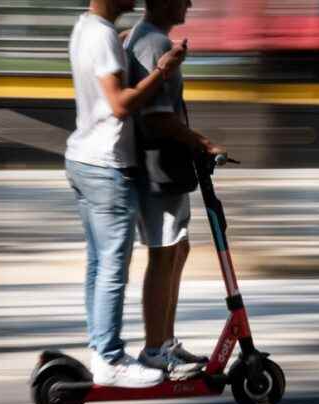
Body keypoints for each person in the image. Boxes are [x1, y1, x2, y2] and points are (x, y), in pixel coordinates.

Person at [64, 0, 186, 387]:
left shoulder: (86, 28)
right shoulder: (100, 35)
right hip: (106, 164)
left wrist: (124, 43)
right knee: (113, 269)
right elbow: (119, 105)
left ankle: (101, 349)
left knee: (99, 266)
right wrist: (162, 71)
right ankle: (110, 359)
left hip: (82, 159)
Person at [125, 0, 226, 379]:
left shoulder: (147, 38)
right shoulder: (152, 44)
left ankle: (164, 343)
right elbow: (158, 119)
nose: (189, 3)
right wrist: (203, 143)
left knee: (177, 250)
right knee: (163, 254)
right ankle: (154, 349)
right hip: (157, 167)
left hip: (166, 166)